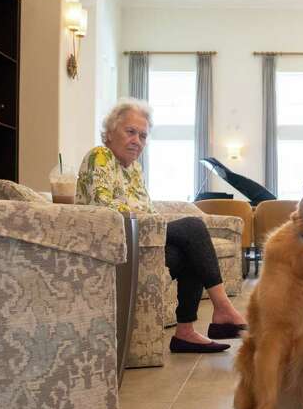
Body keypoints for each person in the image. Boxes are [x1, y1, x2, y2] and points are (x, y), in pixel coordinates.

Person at [77, 98, 248, 353]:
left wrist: (156, 225)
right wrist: (157, 225)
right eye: (130, 132)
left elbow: (147, 210)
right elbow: (105, 210)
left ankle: (185, 333)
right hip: (115, 247)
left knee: (190, 248)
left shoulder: (133, 169)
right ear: (110, 132)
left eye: (143, 136)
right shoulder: (100, 156)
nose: (137, 141)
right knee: (193, 227)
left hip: (142, 243)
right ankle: (222, 309)